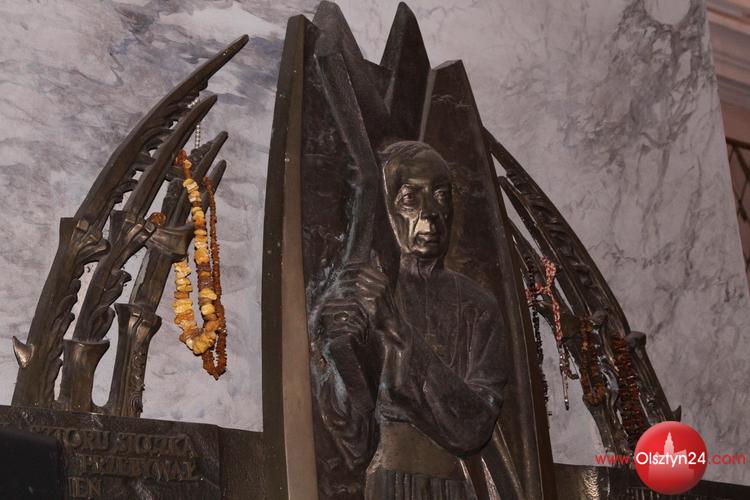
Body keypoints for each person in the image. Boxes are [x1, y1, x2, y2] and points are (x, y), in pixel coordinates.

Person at [315, 141, 509, 500]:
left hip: (457, 488)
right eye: (410, 199)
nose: (430, 213)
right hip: (383, 483)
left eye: (440, 195)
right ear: (387, 211)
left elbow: (475, 426)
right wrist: (341, 353)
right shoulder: (363, 294)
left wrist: (399, 331)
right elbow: (350, 437)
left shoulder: (478, 307)